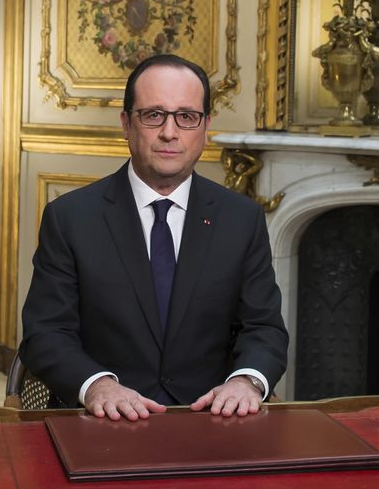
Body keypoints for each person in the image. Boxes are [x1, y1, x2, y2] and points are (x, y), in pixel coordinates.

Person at [18, 54, 288, 421]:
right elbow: (46, 333)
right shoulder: (70, 218)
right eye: (153, 115)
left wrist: (245, 382)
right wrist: (97, 386)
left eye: (187, 117)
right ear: (127, 124)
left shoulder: (242, 219)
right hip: (102, 424)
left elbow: (264, 328)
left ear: (205, 127)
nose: (170, 132)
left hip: (210, 420)